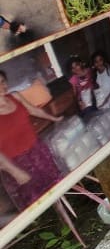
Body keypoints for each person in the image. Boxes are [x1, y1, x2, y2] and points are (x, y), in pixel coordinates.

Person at [0, 70, 64, 211]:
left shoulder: (15, 96)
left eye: (3, 81)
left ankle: (70, 215)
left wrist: (54, 118)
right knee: (38, 202)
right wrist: (15, 171)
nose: (2, 86)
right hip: (18, 164)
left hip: (38, 151)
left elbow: (34, 110)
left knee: (57, 187)